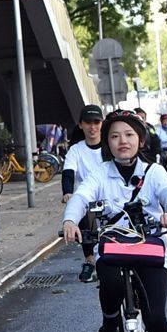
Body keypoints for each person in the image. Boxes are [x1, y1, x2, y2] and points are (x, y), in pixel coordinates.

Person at [62, 110, 167, 332]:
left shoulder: (154, 171)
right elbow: (80, 197)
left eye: (129, 135)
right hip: (114, 247)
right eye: (115, 136)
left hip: (152, 247)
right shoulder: (99, 173)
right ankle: (109, 325)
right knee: (110, 282)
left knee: (156, 317)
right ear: (107, 141)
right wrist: (70, 220)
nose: (122, 141)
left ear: (140, 139)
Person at [62, 104, 108, 282]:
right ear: (81, 125)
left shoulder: (108, 146)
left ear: (102, 123)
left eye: (96, 122)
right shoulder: (76, 150)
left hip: (109, 196)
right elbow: (68, 174)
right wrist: (67, 192)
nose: (93, 127)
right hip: (86, 198)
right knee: (80, 211)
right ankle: (89, 260)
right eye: (88, 122)